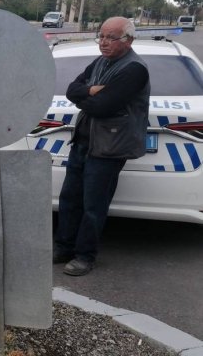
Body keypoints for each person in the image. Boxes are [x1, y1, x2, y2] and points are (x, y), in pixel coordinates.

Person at [53, 16, 150, 276]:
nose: (104, 42)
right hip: (83, 142)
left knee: (93, 205)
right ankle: (64, 247)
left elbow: (103, 107)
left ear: (128, 41)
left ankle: (85, 255)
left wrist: (88, 94)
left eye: (111, 37)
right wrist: (93, 90)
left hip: (108, 147)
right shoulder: (100, 62)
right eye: (102, 36)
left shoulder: (134, 69)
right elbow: (71, 90)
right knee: (69, 198)